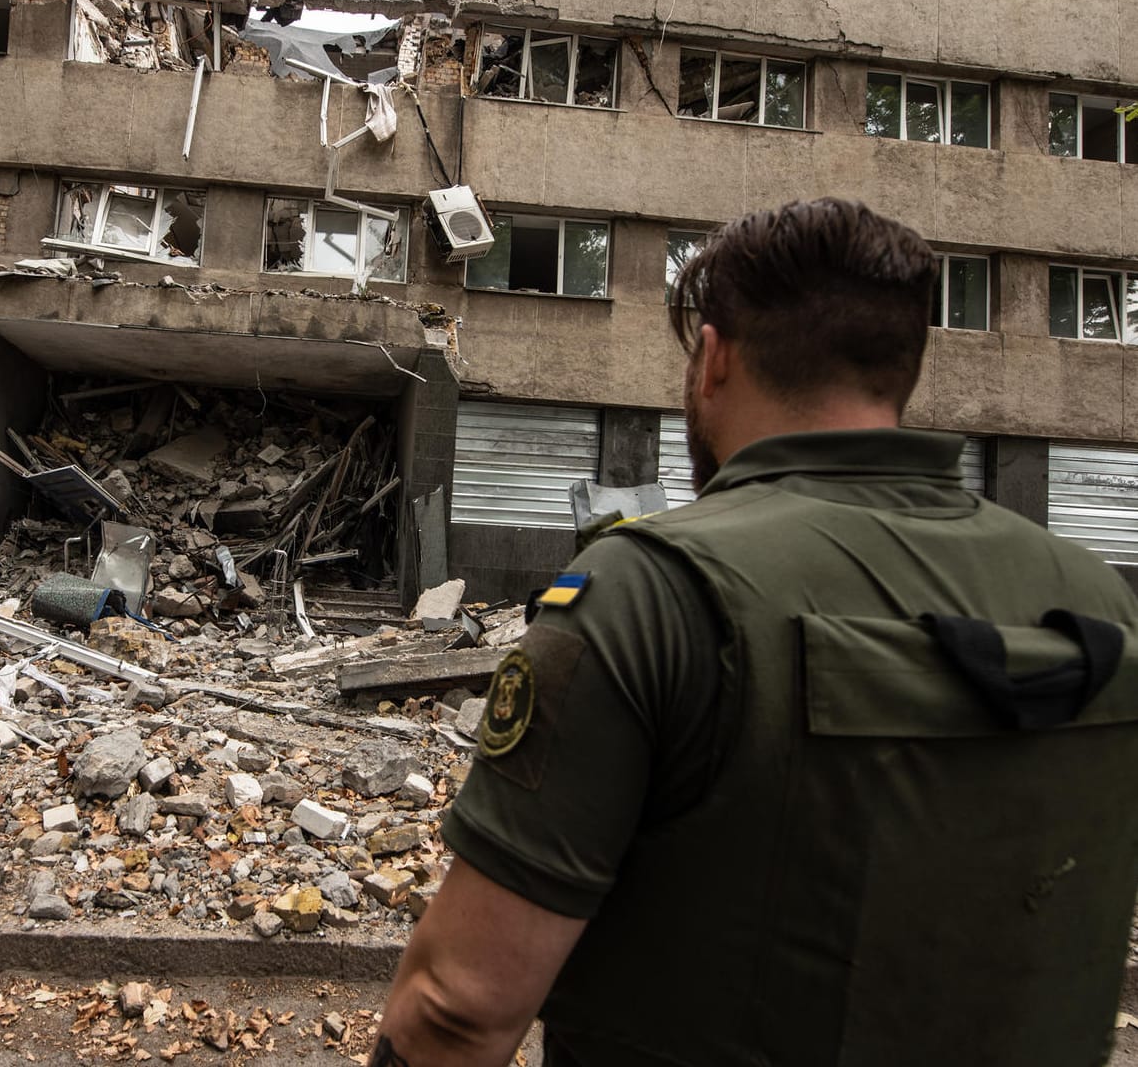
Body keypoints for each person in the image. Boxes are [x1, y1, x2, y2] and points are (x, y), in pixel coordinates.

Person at [372, 197, 1138, 1067]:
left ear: (712, 359)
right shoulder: (1096, 603)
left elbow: (457, 1011)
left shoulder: (651, 591)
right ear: (903, 373)